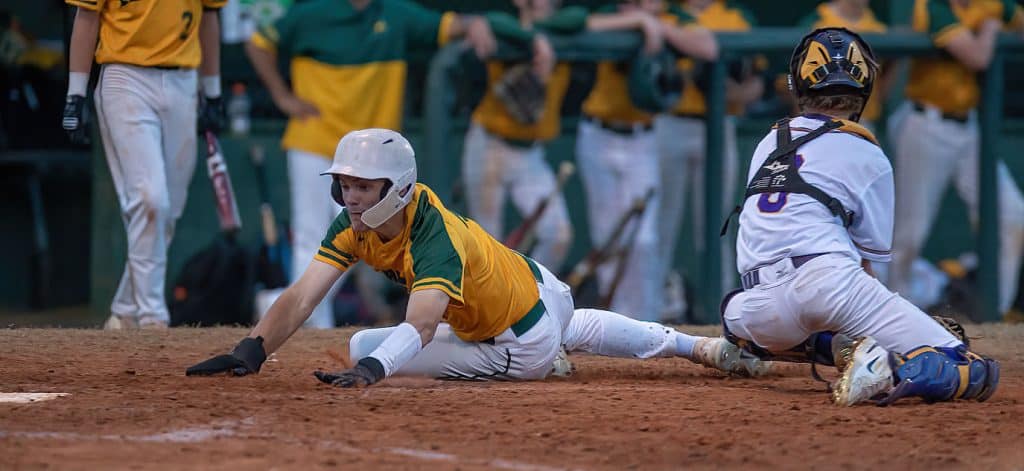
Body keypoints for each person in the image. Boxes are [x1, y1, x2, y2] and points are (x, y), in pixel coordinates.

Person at [186, 129, 769, 384]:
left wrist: (372, 373)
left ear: (399, 189)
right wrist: (253, 348)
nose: (350, 198)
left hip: (518, 344)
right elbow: (303, 294)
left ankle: (549, 361)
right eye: (345, 185)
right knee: (576, 325)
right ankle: (696, 346)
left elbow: (420, 324)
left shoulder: (431, 230)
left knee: (371, 349)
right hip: (545, 290)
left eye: (364, 187)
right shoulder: (354, 223)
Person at [720, 28, 999, 406]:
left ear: (799, 85)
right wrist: (890, 332)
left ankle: (838, 348)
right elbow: (869, 266)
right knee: (973, 367)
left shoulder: (769, 140)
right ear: (864, 87)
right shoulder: (866, 151)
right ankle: (891, 371)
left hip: (759, 311)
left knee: (733, 317)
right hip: (829, 284)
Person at [245, 0, 499, 328]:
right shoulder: (309, 12)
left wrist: (476, 24)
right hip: (315, 139)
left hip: (371, 158)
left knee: (353, 236)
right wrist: (282, 96)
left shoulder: (397, 13)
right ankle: (313, 325)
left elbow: (450, 24)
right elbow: (258, 44)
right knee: (313, 235)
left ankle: (279, 304)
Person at [61, 0, 226, 329]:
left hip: (183, 80)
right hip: (125, 76)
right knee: (150, 199)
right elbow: (87, 16)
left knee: (169, 210)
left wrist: (213, 90)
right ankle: (152, 318)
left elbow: (209, 16)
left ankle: (125, 311)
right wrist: (75, 94)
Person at [576, 0, 717, 321]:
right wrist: (638, 21)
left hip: (643, 139)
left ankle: (643, 320)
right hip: (599, 134)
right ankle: (613, 321)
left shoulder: (674, 18)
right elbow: (581, 23)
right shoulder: (616, 15)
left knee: (644, 239)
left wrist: (660, 27)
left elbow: (708, 48)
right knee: (608, 236)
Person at [887, 0, 1024, 318]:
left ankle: (996, 312)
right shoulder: (933, 6)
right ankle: (895, 315)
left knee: (1013, 215)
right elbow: (977, 57)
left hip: (970, 127)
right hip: (925, 125)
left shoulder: (992, 4)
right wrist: (990, 29)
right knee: (910, 233)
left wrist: (997, 23)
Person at [654, 0, 761, 321]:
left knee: (718, 226)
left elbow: (757, 81)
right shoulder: (667, 14)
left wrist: (737, 94)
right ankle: (652, 308)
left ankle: (725, 312)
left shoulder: (737, 16)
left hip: (719, 123)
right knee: (661, 224)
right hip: (670, 122)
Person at [460, 0, 574, 271]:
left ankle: (530, 298)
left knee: (558, 235)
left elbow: (579, 18)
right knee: (488, 247)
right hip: (489, 145)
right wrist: (534, 38)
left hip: (530, 154)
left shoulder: (567, 29)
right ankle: (490, 311)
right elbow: (491, 20)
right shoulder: (505, 28)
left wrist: (542, 37)